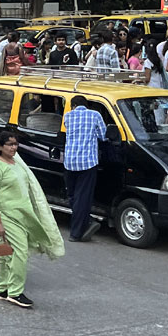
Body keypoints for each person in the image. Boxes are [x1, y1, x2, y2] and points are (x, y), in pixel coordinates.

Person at [0, 130, 63, 308]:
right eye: (9, 144)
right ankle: (15, 292)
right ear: (0, 146)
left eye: (15, 144)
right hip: (6, 215)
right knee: (20, 251)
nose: (13, 147)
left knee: (5, 252)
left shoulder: (17, 163)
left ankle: (0, 289)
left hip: (22, 215)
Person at [63, 95, 107, 242]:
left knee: (72, 196)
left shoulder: (67, 117)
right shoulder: (95, 115)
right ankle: (76, 233)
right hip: (87, 162)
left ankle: (87, 221)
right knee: (83, 198)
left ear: (73, 106)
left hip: (70, 162)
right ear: (86, 105)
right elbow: (103, 136)